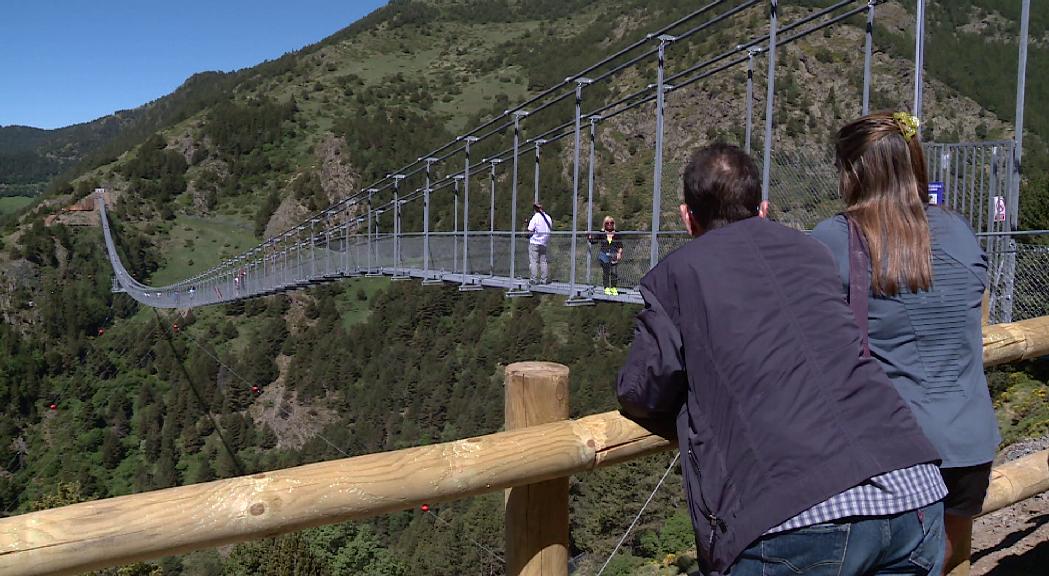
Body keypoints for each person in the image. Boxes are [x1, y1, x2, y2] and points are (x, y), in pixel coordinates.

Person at [617, 143, 946, 575]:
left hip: (798, 518)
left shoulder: (677, 275)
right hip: (914, 490)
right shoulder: (813, 252)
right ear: (764, 209)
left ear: (687, 218)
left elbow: (641, 390)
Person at [811, 112, 1001, 575]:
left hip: (900, 452)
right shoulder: (958, 229)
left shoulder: (836, 239)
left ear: (854, 172)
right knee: (947, 562)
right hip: (971, 442)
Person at [588, 216, 624, 295]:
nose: (609, 224)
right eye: (607, 223)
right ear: (605, 224)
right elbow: (594, 241)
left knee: (614, 272)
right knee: (606, 271)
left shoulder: (617, 233)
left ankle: (613, 288)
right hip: (604, 254)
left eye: (611, 223)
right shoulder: (602, 233)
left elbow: (620, 245)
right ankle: (607, 288)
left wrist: (619, 253)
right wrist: (589, 237)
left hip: (613, 254)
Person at [527, 202, 552, 285]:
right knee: (543, 261)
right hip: (544, 242)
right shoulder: (548, 218)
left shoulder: (535, 218)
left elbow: (530, 230)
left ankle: (533, 279)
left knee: (533, 261)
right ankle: (544, 279)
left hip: (535, 242)